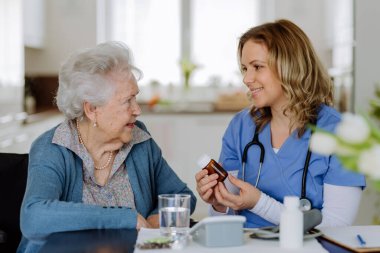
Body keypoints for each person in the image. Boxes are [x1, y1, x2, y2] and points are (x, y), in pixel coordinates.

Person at [18, 41, 196, 252]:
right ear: (92, 109)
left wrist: (154, 222)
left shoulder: (139, 140)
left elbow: (181, 196)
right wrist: (125, 218)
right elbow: (34, 217)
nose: (137, 109)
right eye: (127, 101)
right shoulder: (53, 147)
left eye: (136, 98)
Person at [195, 19, 365, 228]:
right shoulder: (241, 126)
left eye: (257, 67)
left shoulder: (342, 133)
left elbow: (335, 227)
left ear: (289, 67)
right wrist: (219, 204)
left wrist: (259, 203)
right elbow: (225, 222)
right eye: (245, 68)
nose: (247, 79)